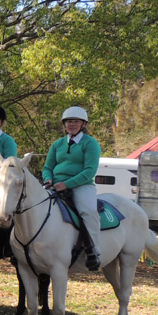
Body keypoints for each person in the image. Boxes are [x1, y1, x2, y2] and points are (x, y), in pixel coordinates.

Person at [42, 106, 102, 271]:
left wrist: (66, 184)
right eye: (69, 121)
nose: (72, 124)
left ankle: (94, 251)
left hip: (81, 185)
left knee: (88, 211)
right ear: (64, 124)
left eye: (76, 121)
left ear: (83, 124)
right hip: (54, 185)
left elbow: (89, 171)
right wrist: (48, 179)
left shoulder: (90, 144)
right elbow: (47, 167)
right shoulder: (57, 144)